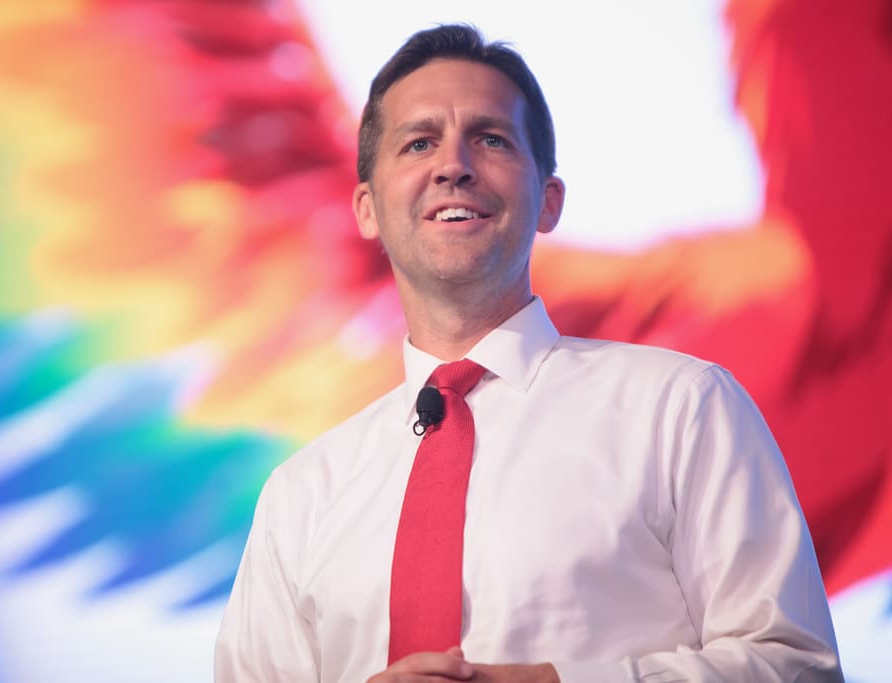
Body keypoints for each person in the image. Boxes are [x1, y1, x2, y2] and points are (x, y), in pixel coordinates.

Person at [214, 24, 843, 682]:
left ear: (549, 201)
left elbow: (796, 666)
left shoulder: (682, 410)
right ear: (367, 209)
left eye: (490, 139)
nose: (452, 165)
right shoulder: (301, 496)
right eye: (419, 142)